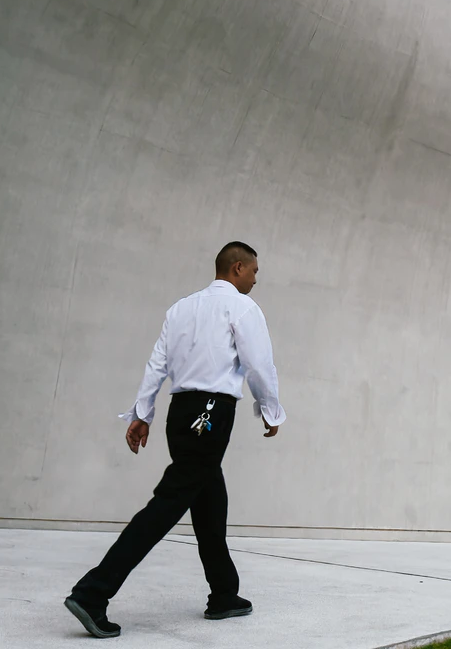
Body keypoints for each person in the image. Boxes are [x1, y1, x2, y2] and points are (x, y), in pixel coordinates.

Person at [64, 241, 285, 639]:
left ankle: (224, 594)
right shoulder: (242, 307)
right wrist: (271, 409)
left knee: (209, 498)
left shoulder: (181, 308)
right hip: (211, 414)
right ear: (237, 268)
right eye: (254, 271)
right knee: (168, 503)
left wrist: (143, 413)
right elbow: (259, 364)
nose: (256, 279)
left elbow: (157, 364)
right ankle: (92, 593)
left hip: (181, 412)